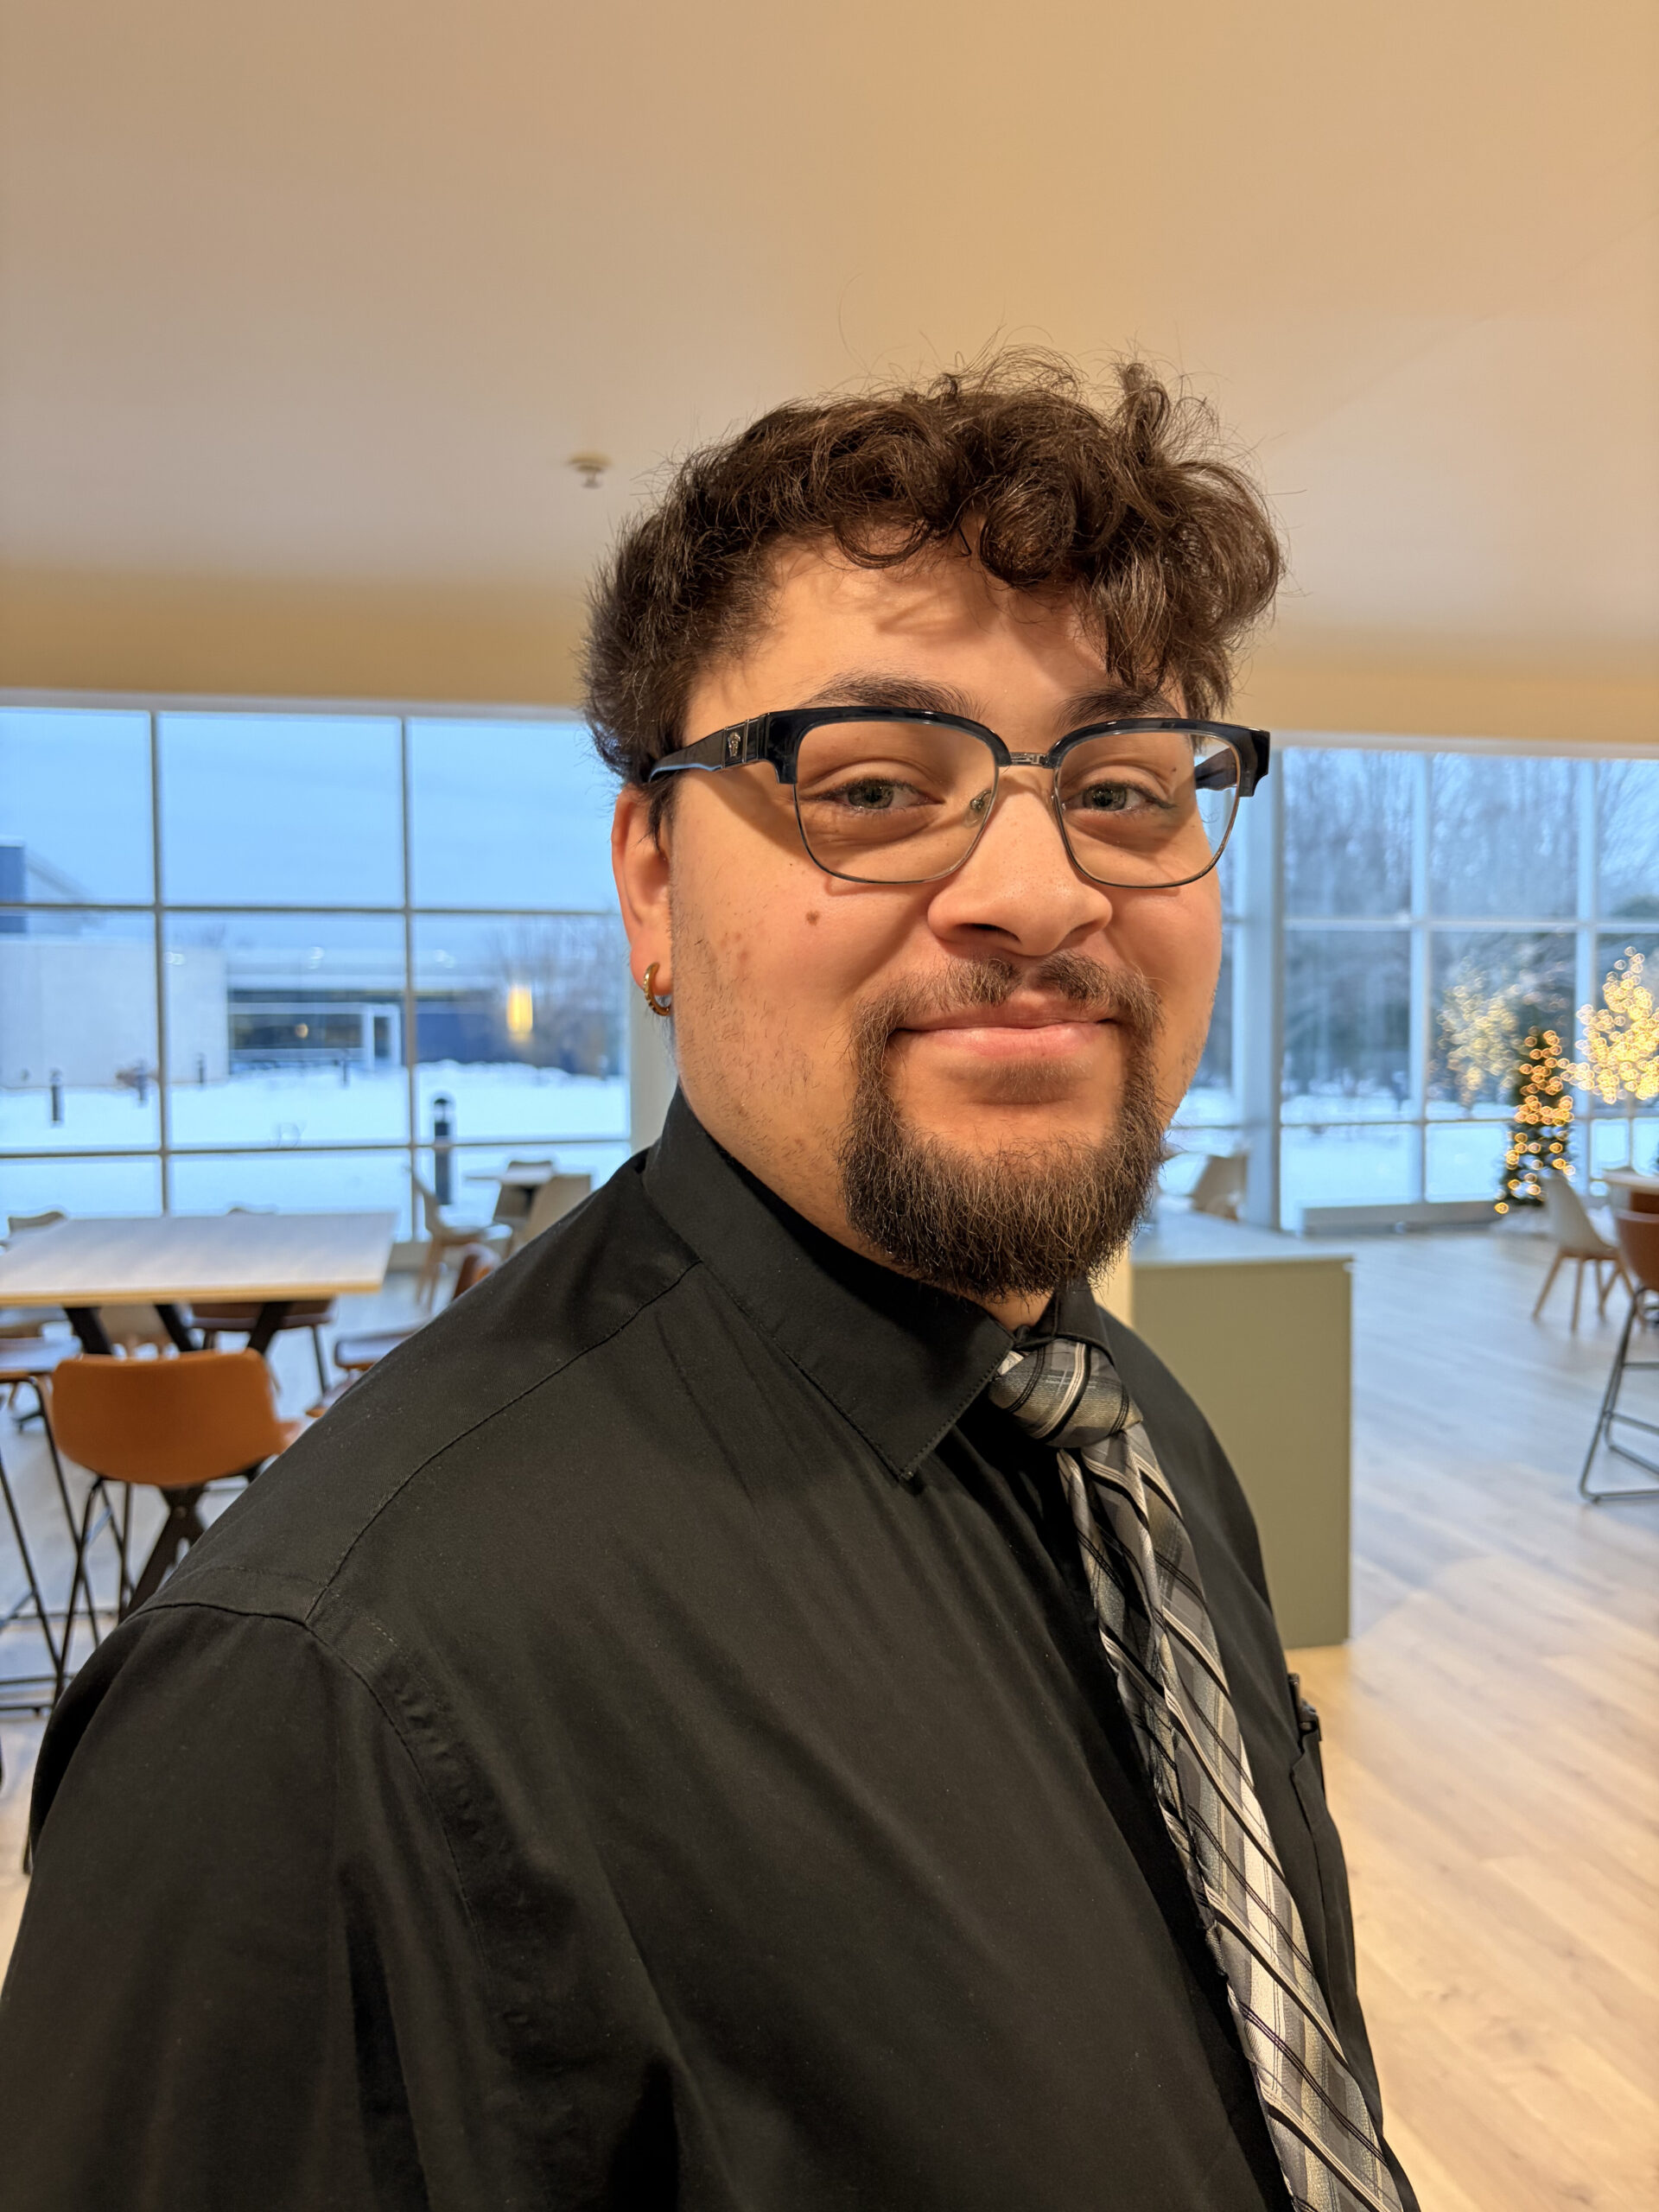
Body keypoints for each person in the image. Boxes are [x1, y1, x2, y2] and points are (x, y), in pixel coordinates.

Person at [0, 356, 1417, 2212]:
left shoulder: (1134, 1433)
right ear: (653, 884)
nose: (1039, 888)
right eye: (879, 781)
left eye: (1128, 784)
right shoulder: (322, 1698)